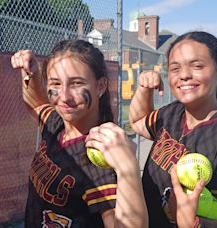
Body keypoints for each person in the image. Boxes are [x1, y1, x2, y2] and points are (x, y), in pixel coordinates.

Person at [129, 31, 217, 227]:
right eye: (175, 68)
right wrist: (144, 88)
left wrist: (193, 224)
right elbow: (139, 121)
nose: (184, 75)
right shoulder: (172, 113)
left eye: (197, 66)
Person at [11, 39, 147, 228]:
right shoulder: (57, 125)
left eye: (76, 83)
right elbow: (36, 104)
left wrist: (128, 169)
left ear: (100, 86)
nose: (64, 96)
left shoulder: (99, 153)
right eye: (56, 84)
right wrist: (30, 74)